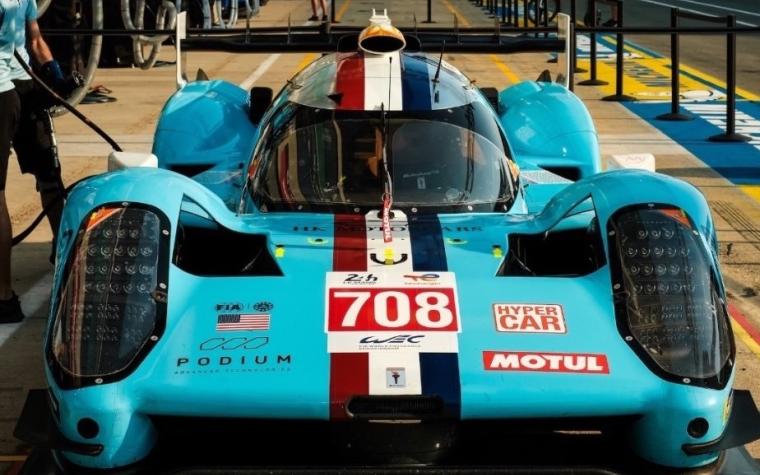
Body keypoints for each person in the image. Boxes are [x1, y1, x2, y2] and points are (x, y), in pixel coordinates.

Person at [1, 0, 69, 323]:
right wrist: (53, 71)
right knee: (49, 175)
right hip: (25, 83)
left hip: (5, 92)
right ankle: (66, 260)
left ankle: (3, 296)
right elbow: (35, 38)